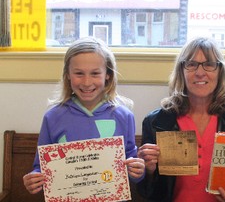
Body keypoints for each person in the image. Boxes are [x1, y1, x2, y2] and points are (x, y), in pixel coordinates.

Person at [137, 37, 225, 202]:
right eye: (191, 64)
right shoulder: (157, 122)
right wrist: (149, 172)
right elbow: (146, 193)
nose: (200, 72)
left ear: (219, 71)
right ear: (182, 71)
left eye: (209, 64)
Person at [23, 37, 145, 194]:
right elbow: (41, 166)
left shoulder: (124, 116)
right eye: (79, 73)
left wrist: (138, 171)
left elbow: (131, 163)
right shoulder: (53, 117)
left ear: (108, 74)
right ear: (67, 74)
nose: (87, 82)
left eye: (95, 73)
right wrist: (34, 179)